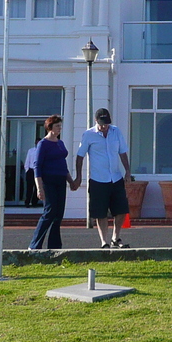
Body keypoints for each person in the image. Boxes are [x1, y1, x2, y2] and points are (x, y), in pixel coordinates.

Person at [76, 107, 132, 248]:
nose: (104, 126)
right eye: (102, 123)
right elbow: (80, 156)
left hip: (115, 177)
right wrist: (78, 177)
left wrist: (127, 171)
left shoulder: (116, 131)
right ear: (96, 121)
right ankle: (104, 241)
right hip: (98, 179)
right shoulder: (88, 135)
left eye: (106, 123)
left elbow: (123, 152)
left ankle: (116, 238)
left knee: (121, 210)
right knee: (100, 212)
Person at [29, 114, 77, 250]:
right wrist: (39, 188)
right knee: (50, 211)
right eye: (57, 126)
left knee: (59, 213)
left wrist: (71, 181)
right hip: (48, 181)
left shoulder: (60, 143)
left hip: (60, 180)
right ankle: (34, 245)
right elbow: (37, 166)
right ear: (50, 128)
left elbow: (63, 164)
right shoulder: (43, 144)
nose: (59, 128)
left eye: (60, 126)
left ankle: (55, 246)